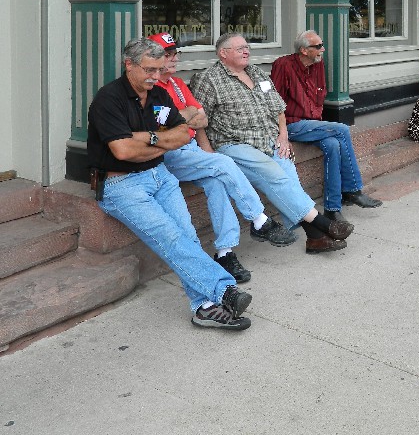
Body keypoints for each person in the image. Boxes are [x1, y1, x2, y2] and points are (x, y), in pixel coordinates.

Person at [87, 38, 252, 330]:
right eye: (149, 69)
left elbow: (183, 135)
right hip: (121, 185)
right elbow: (123, 152)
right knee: (171, 237)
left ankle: (203, 308)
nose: (155, 76)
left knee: (186, 235)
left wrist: (148, 139)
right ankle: (224, 289)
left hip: (160, 176)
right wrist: (160, 141)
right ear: (129, 65)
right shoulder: (107, 99)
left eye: (159, 69)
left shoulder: (158, 96)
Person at [147, 32, 295, 284]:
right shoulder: (151, 87)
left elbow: (201, 118)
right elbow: (163, 129)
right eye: (167, 55)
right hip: (169, 153)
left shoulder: (177, 84)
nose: (173, 59)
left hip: (191, 147)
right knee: (224, 163)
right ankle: (259, 219)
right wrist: (186, 117)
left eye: (175, 54)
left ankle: (225, 252)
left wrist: (182, 116)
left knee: (217, 182)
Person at [190, 33, 354, 254]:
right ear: (223, 53)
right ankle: (323, 225)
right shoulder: (209, 79)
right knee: (274, 174)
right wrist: (208, 151)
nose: (246, 51)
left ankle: (314, 238)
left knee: (288, 174)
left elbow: (278, 108)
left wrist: (283, 136)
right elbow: (199, 120)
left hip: (269, 138)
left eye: (247, 47)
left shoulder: (256, 72)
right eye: (240, 49)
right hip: (233, 142)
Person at [270, 30, 382, 221]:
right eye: (318, 46)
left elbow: (320, 96)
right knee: (342, 129)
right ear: (304, 50)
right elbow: (274, 102)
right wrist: (281, 134)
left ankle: (332, 208)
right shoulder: (283, 65)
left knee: (333, 144)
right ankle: (353, 189)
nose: (323, 49)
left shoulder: (317, 64)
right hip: (292, 124)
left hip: (314, 124)